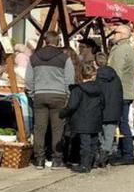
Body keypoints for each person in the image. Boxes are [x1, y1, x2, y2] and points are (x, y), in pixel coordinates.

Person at [26, 31, 74, 169]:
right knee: (57, 129)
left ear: (45, 41)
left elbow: (29, 80)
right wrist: (67, 96)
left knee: (39, 129)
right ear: (58, 41)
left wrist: (33, 94)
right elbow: (69, 80)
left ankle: (39, 159)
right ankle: (56, 160)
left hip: (40, 95)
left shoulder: (33, 58)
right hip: (58, 95)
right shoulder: (64, 58)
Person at [59, 59, 105, 174]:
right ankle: (92, 162)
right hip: (95, 118)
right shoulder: (99, 89)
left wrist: (62, 113)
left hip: (81, 119)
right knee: (94, 141)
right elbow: (103, 103)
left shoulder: (78, 90)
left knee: (84, 143)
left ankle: (84, 165)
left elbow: (72, 106)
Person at [106, 24, 134, 165]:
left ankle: (127, 154)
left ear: (122, 34)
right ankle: (122, 152)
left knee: (123, 123)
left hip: (120, 92)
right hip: (126, 91)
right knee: (122, 122)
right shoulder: (128, 48)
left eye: (115, 32)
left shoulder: (120, 50)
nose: (113, 34)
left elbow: (115, 72)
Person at [94, 53, 124, 168]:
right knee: (109, 135)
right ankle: (107, 154)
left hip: (100, 110)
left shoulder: (97, 78)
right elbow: (119, 94)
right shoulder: (115, 77)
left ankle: (102, 154)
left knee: (100, 134)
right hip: (113, 110)